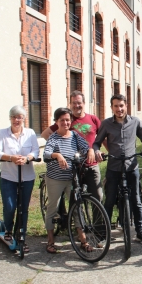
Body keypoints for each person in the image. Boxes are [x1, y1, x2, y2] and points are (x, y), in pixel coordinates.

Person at [93, 94, 142, 245]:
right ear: (111, 107)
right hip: (114, 167)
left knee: (136, 200)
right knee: (110, 200)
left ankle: (140, 232)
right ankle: (105, 235)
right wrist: (97, 151)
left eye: (121, 105)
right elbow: (96, 143)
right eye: (116, 106)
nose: (119, 109)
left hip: (132, 167)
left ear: (126, 106)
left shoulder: (135, 122)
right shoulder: (106, 124)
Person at [43, 108, 92, 254]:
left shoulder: (75, 135)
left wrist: (90, 150)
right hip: (55, 179)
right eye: (62, 120)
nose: (65, 122)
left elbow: (85, 146)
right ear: (56, 122)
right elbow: (46, 154)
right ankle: (50, 241)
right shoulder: (54, 138)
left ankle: (83, 239)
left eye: (67, 120)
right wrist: (57, 155)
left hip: (72, 178)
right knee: (53, 207)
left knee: (77, 207)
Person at [41, 91, 103, 205]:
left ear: (84, 103)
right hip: (74, 166)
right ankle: (71, 220)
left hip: (91, 164)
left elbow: (103, 138)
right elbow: (45, 134)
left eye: (79, 102)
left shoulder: (93, 119)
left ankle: (99, 223)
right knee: (74, 199)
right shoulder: (67, 119)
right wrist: (58, 148)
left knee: (97, 196)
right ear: (70, 104)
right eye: (73, 103)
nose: (76, 105)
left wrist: (97, 151)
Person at [0, 105, 40, 252]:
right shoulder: (2, 133)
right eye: (14, 117)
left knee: (23, 208)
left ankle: (22, 236)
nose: (16, 120)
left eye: (19, 117)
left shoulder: (30, 133)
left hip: (27, 177)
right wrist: (11, 157)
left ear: (24, 119)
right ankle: (8, 229)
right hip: (8, 177)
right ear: (10, 118)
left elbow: (36, 150)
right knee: (10, 206)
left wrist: (27, 158)